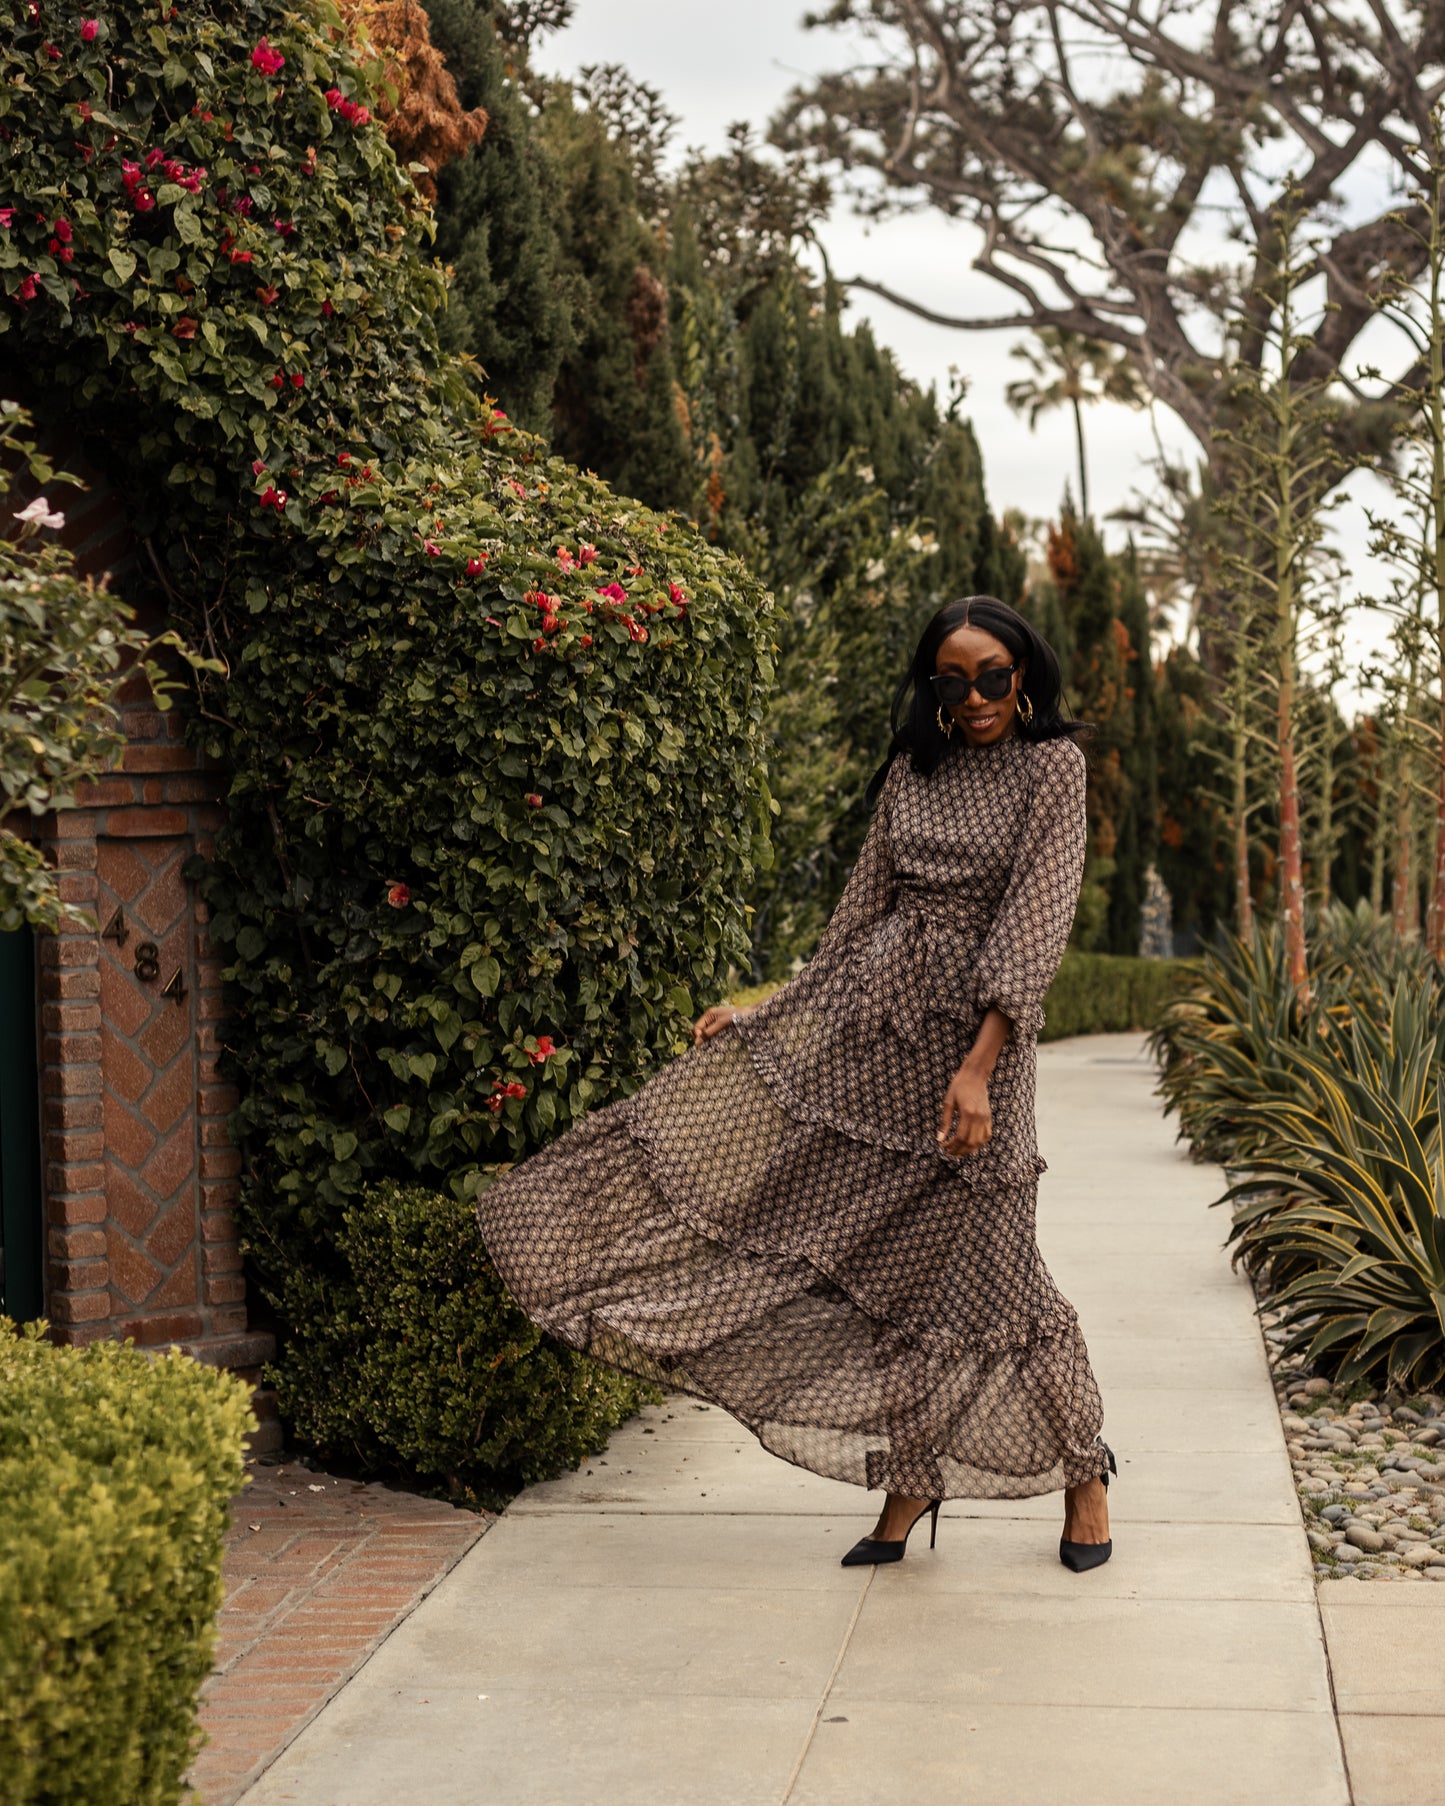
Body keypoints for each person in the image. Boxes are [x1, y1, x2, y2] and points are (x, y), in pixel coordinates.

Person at [475, 595, 1116, 1572]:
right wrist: (767, 1009)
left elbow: (1035, 921)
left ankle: (1082, 1474)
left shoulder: (1050, 768)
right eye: (953, 680)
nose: (977, 696)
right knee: (893, 1277)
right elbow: (857, 916)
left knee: (997, 1270)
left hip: (974, 1059)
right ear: (932, 687)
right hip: (871, 1045)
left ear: (1022, 673)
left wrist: (979, 1069)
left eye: (993, 675)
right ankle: (912, 1480)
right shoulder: (912, 770)